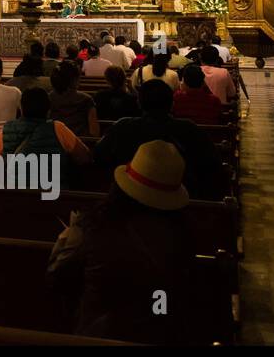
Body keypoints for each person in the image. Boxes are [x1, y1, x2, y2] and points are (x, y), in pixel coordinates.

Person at [47, 140, 197, 344]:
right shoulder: (182, 235)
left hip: (96, 336)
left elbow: (58, 276)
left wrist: (68, 239)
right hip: (162, 335)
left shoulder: (94, 227)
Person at [92, 80, 222, 199]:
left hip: (128, 198)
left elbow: (98, 155)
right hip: (179, 196)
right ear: (172, 104)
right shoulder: (190, 129)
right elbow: (211, 164)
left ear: (139, 103)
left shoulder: (122, 126)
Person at [0, 87, 91, 165]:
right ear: (48, 111)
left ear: (22, 109)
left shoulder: (8, 129)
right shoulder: (57, 128)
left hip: (15, 188)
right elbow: (84, 157)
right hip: (52, 190)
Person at [48, 60, 99, 136]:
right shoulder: (86, 99)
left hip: (54, 143)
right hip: (81, 142)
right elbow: (94, 132)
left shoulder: (49, 98)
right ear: (74, 80)